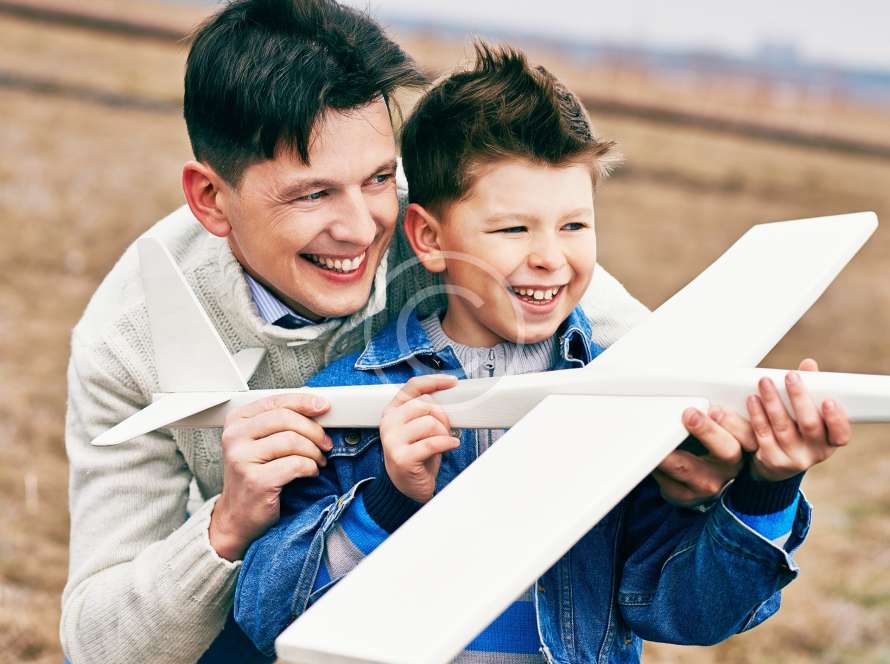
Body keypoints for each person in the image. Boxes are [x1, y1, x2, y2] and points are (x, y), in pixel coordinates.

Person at [233, 44, 852, 663]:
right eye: (514, 229)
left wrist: (766, 490)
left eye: (574, 226)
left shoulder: (628, 399)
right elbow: (269, 615)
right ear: (428, 236)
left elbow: (685, 611)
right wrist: (387, 502)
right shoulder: (349, 406)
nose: (551, 258)